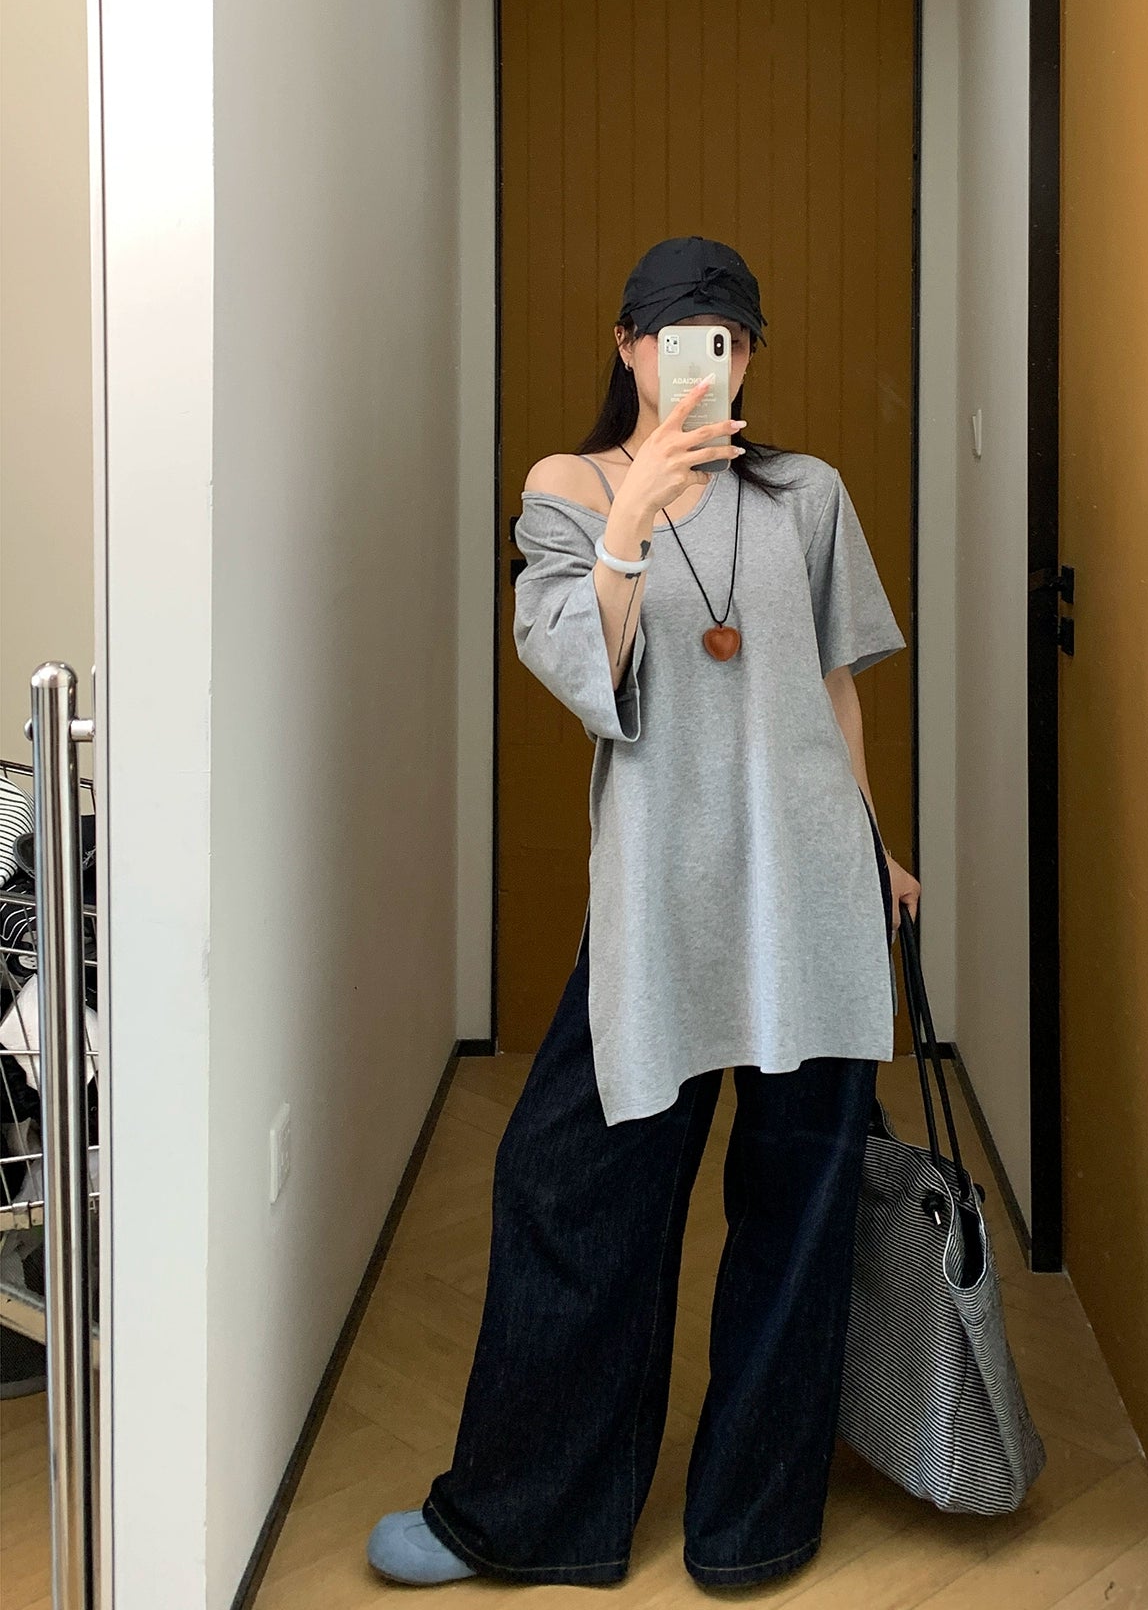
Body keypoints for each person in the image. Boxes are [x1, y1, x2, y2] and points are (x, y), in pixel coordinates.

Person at [368, 236, 920, 1588]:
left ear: (749, 355)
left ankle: (753, 1526)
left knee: (796, 1207)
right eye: (677, 336)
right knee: (565, 1183)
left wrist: (878, 848)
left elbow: (836, 686)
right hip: (660, 897)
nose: (702, 360)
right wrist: (633, 518)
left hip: (813, 891)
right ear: (627, 347)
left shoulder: (807, 493)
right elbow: (581, 668)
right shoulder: (567, 491)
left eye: (728, 338)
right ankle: (523, 1514)